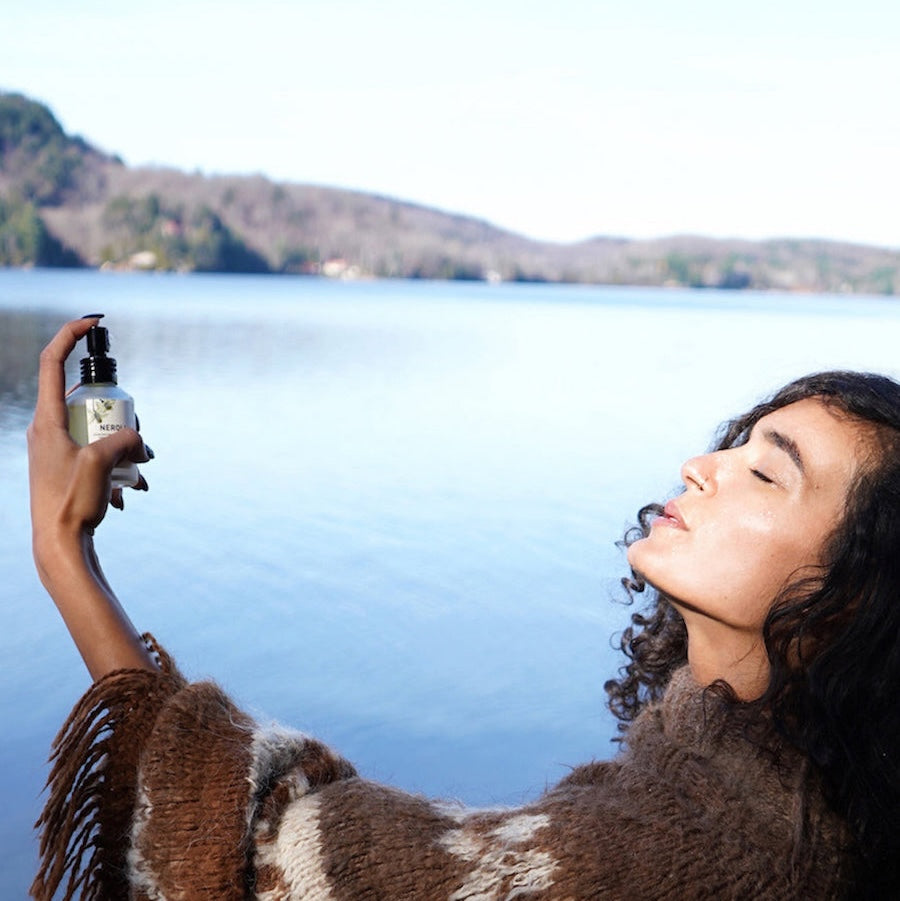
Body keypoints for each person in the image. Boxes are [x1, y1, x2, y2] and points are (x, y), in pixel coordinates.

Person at [27, 317, 900, 900]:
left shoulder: (689, 858)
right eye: (736, 441)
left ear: (853, 596)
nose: (701, 464)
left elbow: (265, 856)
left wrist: (66, 554)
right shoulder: (802, 801)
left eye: (766, 470)